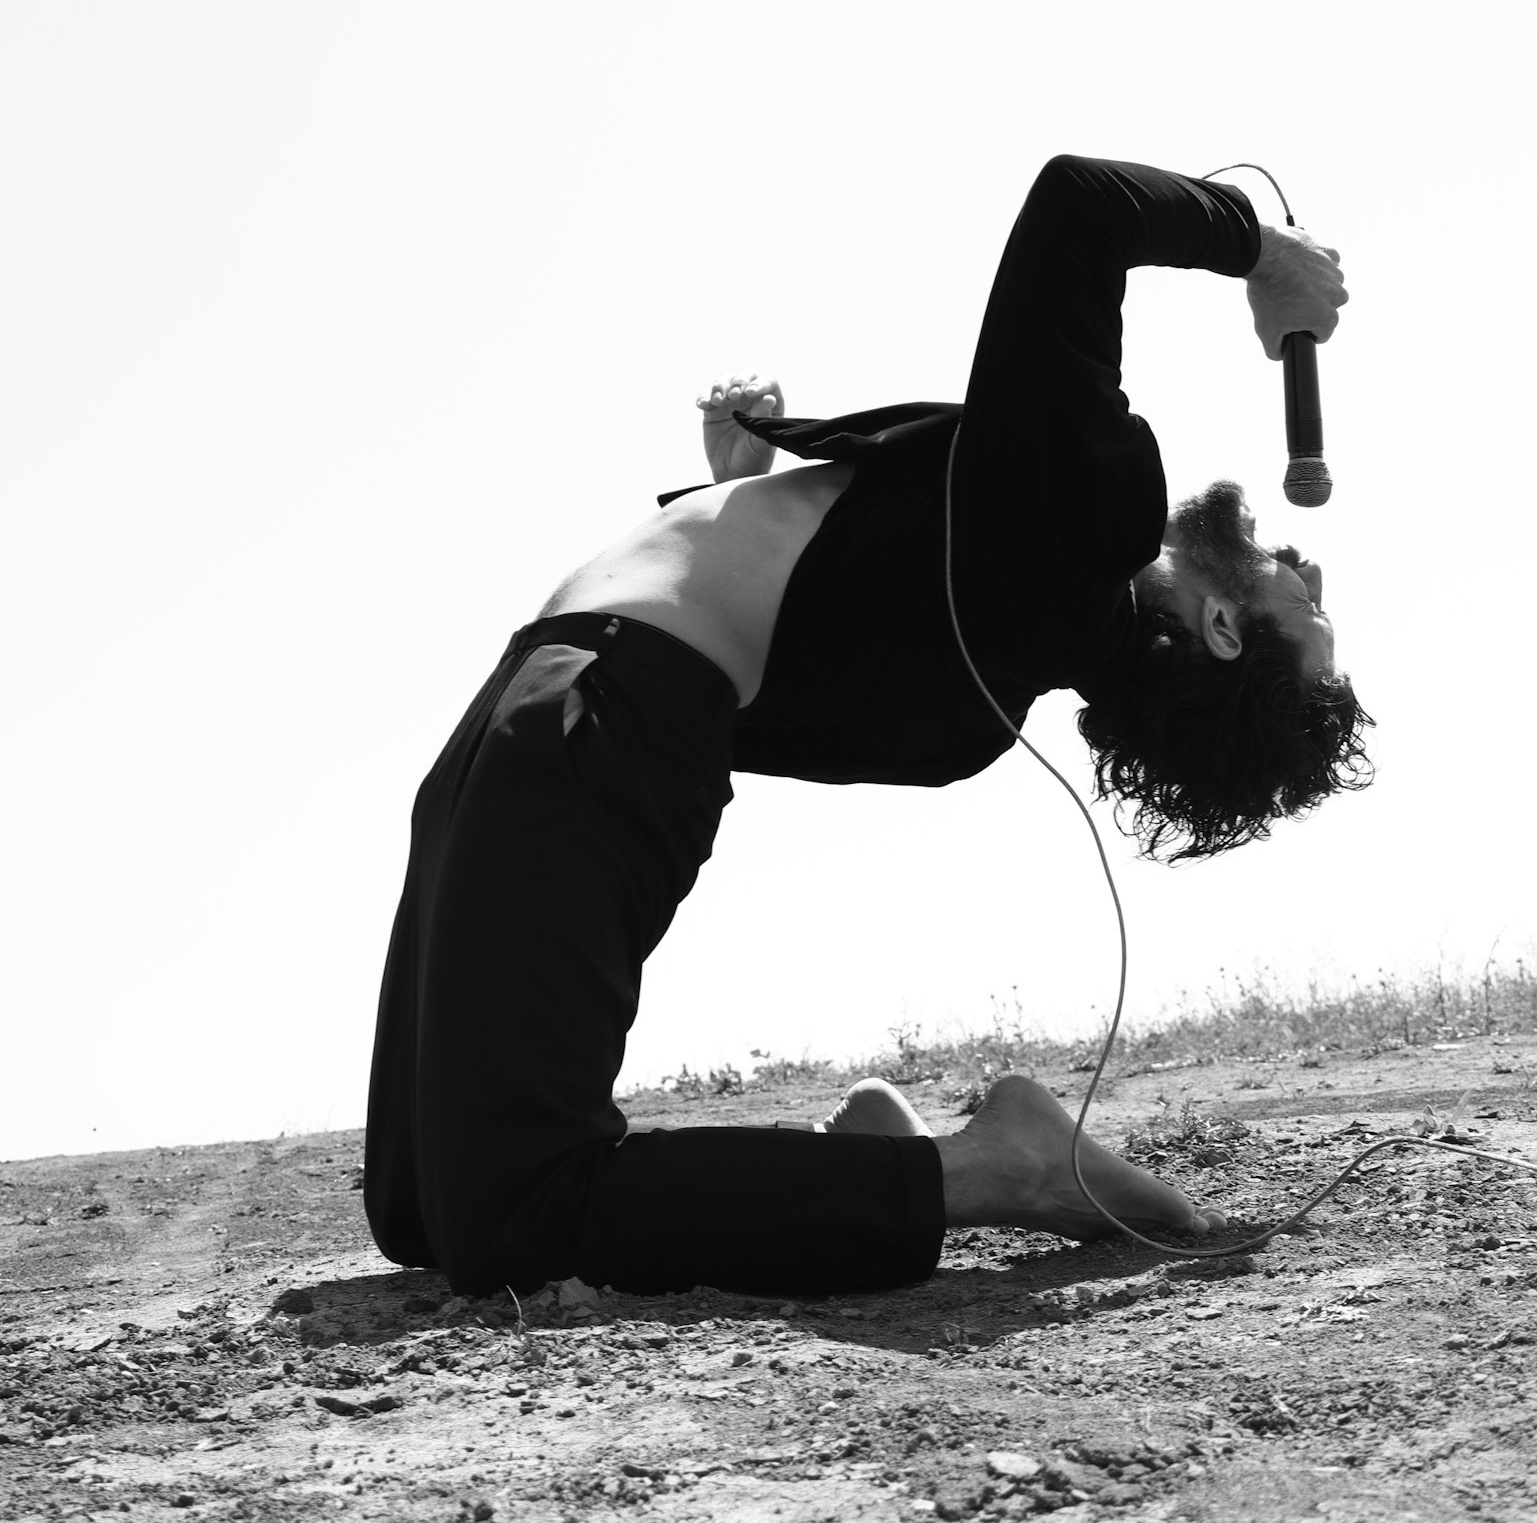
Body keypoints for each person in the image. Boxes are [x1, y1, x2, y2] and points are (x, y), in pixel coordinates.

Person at [363, 154, 1371, 1299]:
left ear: (1225, 630)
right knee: (419, 1205)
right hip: (545, 712)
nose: (1309, 568)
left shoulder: (1086, 524)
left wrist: (1260, 251)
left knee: (512, 1212)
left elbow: (1081, 204)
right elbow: (750, 662)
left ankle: (991, 1167)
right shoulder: (965, 718)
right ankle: (885, 1167)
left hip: (574, 726)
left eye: (1310, 608)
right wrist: (738, 491)